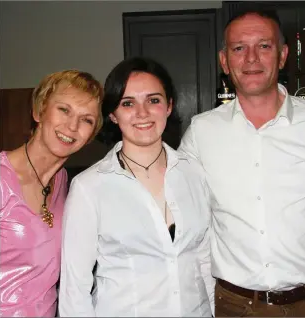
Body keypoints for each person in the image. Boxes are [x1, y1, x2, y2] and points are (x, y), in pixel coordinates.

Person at [179, 8, 305, 317]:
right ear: (224, 61)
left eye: (264, 46)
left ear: (282, 55)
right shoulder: (201, 133)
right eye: (239, 48)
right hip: (234, 307)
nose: (251, 58)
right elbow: (188, 224)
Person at [58, 57, 215, 317]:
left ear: (169, 106)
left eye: (153, 100)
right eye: (128, 103)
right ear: (112, 114)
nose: (142, 113)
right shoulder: (90, 187)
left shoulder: (194, 172)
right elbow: (75, 288)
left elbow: (204, 259)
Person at [0, 70, 103, 317]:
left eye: (86, 119)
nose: (72, 126)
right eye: (64, 110)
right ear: (38, 112)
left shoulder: (64, 183)